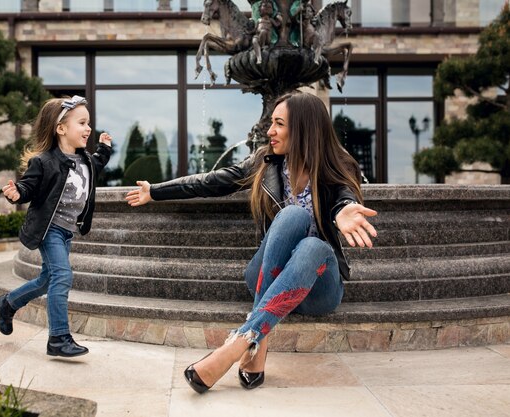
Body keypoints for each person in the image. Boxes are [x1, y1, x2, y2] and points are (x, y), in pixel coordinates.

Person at [125, 92, 377, 392]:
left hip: (317, 287)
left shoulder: (341, 165)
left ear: (304, 129)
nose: (269, 131)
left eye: (279, 124)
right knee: (293, 216)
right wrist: (156, 191)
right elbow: (210, 182)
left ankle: (237, 345)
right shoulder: (264, 162)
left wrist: (342, 211)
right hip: (266, 275)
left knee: (314, 246)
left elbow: (343, 197)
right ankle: (256, 340)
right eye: (271, 123)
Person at [0, 95, 112, 358]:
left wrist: (103, 149)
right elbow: (29, 186)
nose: (88, 128)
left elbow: (98, 164)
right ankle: (58, 338)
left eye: (88, 123)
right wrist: (17, 193)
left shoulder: (85, 160)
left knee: (47, 279)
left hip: (67, 230)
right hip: (50, 229)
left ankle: (7, 303)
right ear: (61, 129)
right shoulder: (44, 161)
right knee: (62, 276)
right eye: (82, 123)